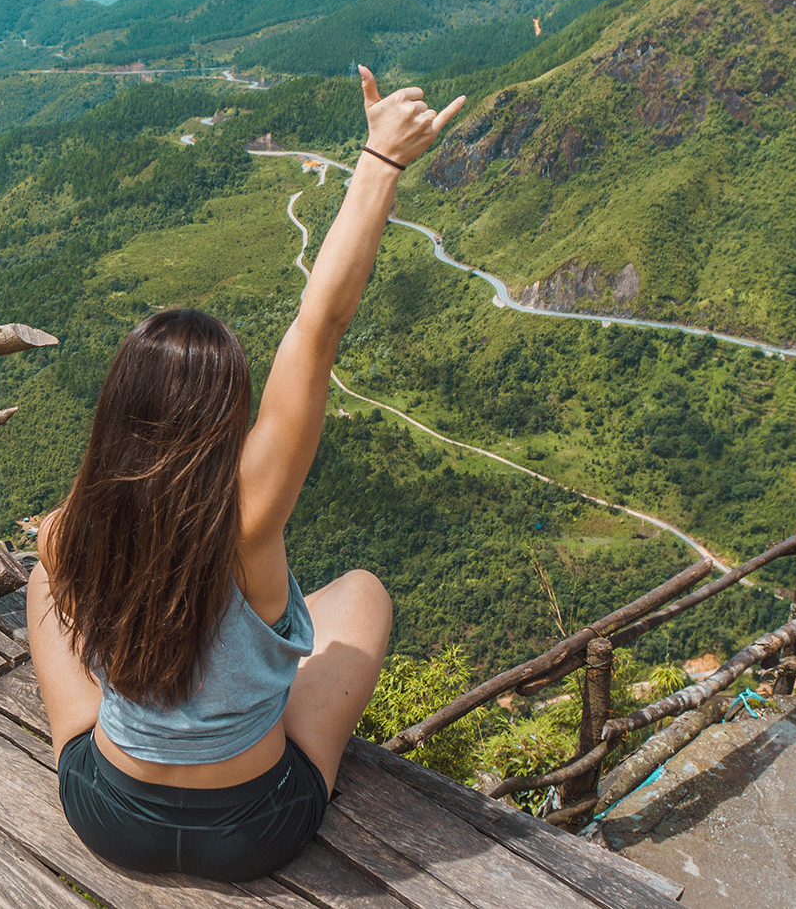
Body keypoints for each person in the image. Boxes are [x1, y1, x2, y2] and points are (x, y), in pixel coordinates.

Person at [28, 67, 467, 881]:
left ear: (118, 415)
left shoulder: (69, 534)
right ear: (228, 417)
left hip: (108, 819)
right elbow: (319, 325)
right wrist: (380, 160)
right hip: (255, 830)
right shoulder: (248, 520)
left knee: (43, 579)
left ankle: (102, 745)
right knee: (363, 592)